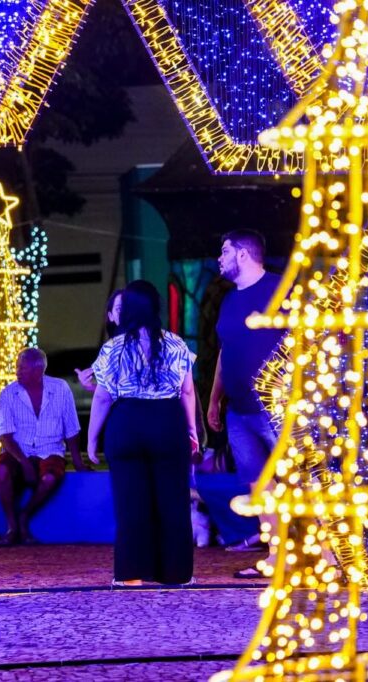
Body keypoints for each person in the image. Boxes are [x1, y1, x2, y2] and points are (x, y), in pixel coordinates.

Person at [88, 280, 199, 586]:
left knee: (130, 503)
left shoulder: (113, 348)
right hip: (168, 422)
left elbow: (102, 397)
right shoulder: (176, 344)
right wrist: (191, 430)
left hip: (127, 423)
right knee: (173, 503)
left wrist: (92, 438)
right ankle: (176, 574)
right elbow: (187, 392)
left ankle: (131, 574)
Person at [207, 229, 284, 577]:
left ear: (242, 254)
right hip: (238, 409)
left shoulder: (280, 289)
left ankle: (327, 557)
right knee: (258, 483)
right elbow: (226, 352)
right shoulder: (229, 301)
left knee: (298, 480)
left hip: (277, 407)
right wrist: (215, 399)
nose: (219, 258)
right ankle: (277, 557)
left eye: (224, 251)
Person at [0, 348, 89, 545]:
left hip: (50, 449)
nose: (17, 372)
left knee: (49, 478)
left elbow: (72, 429)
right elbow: (4, 435)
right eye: (17, 367)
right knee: (2, 471)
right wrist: (24, 462)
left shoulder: (60, 388)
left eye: (22, 368)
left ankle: (24, 516)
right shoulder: (9, 393)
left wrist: (78, 462)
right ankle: (12, 526)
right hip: (18, 449)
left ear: (38, 371)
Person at [75, 289, 123, 392]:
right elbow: (109, 394)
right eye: (119, 309)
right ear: (111, 316)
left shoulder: (155, 342)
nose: (126, 314)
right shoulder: (109, 349)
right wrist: (89, 386)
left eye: (130, 308)